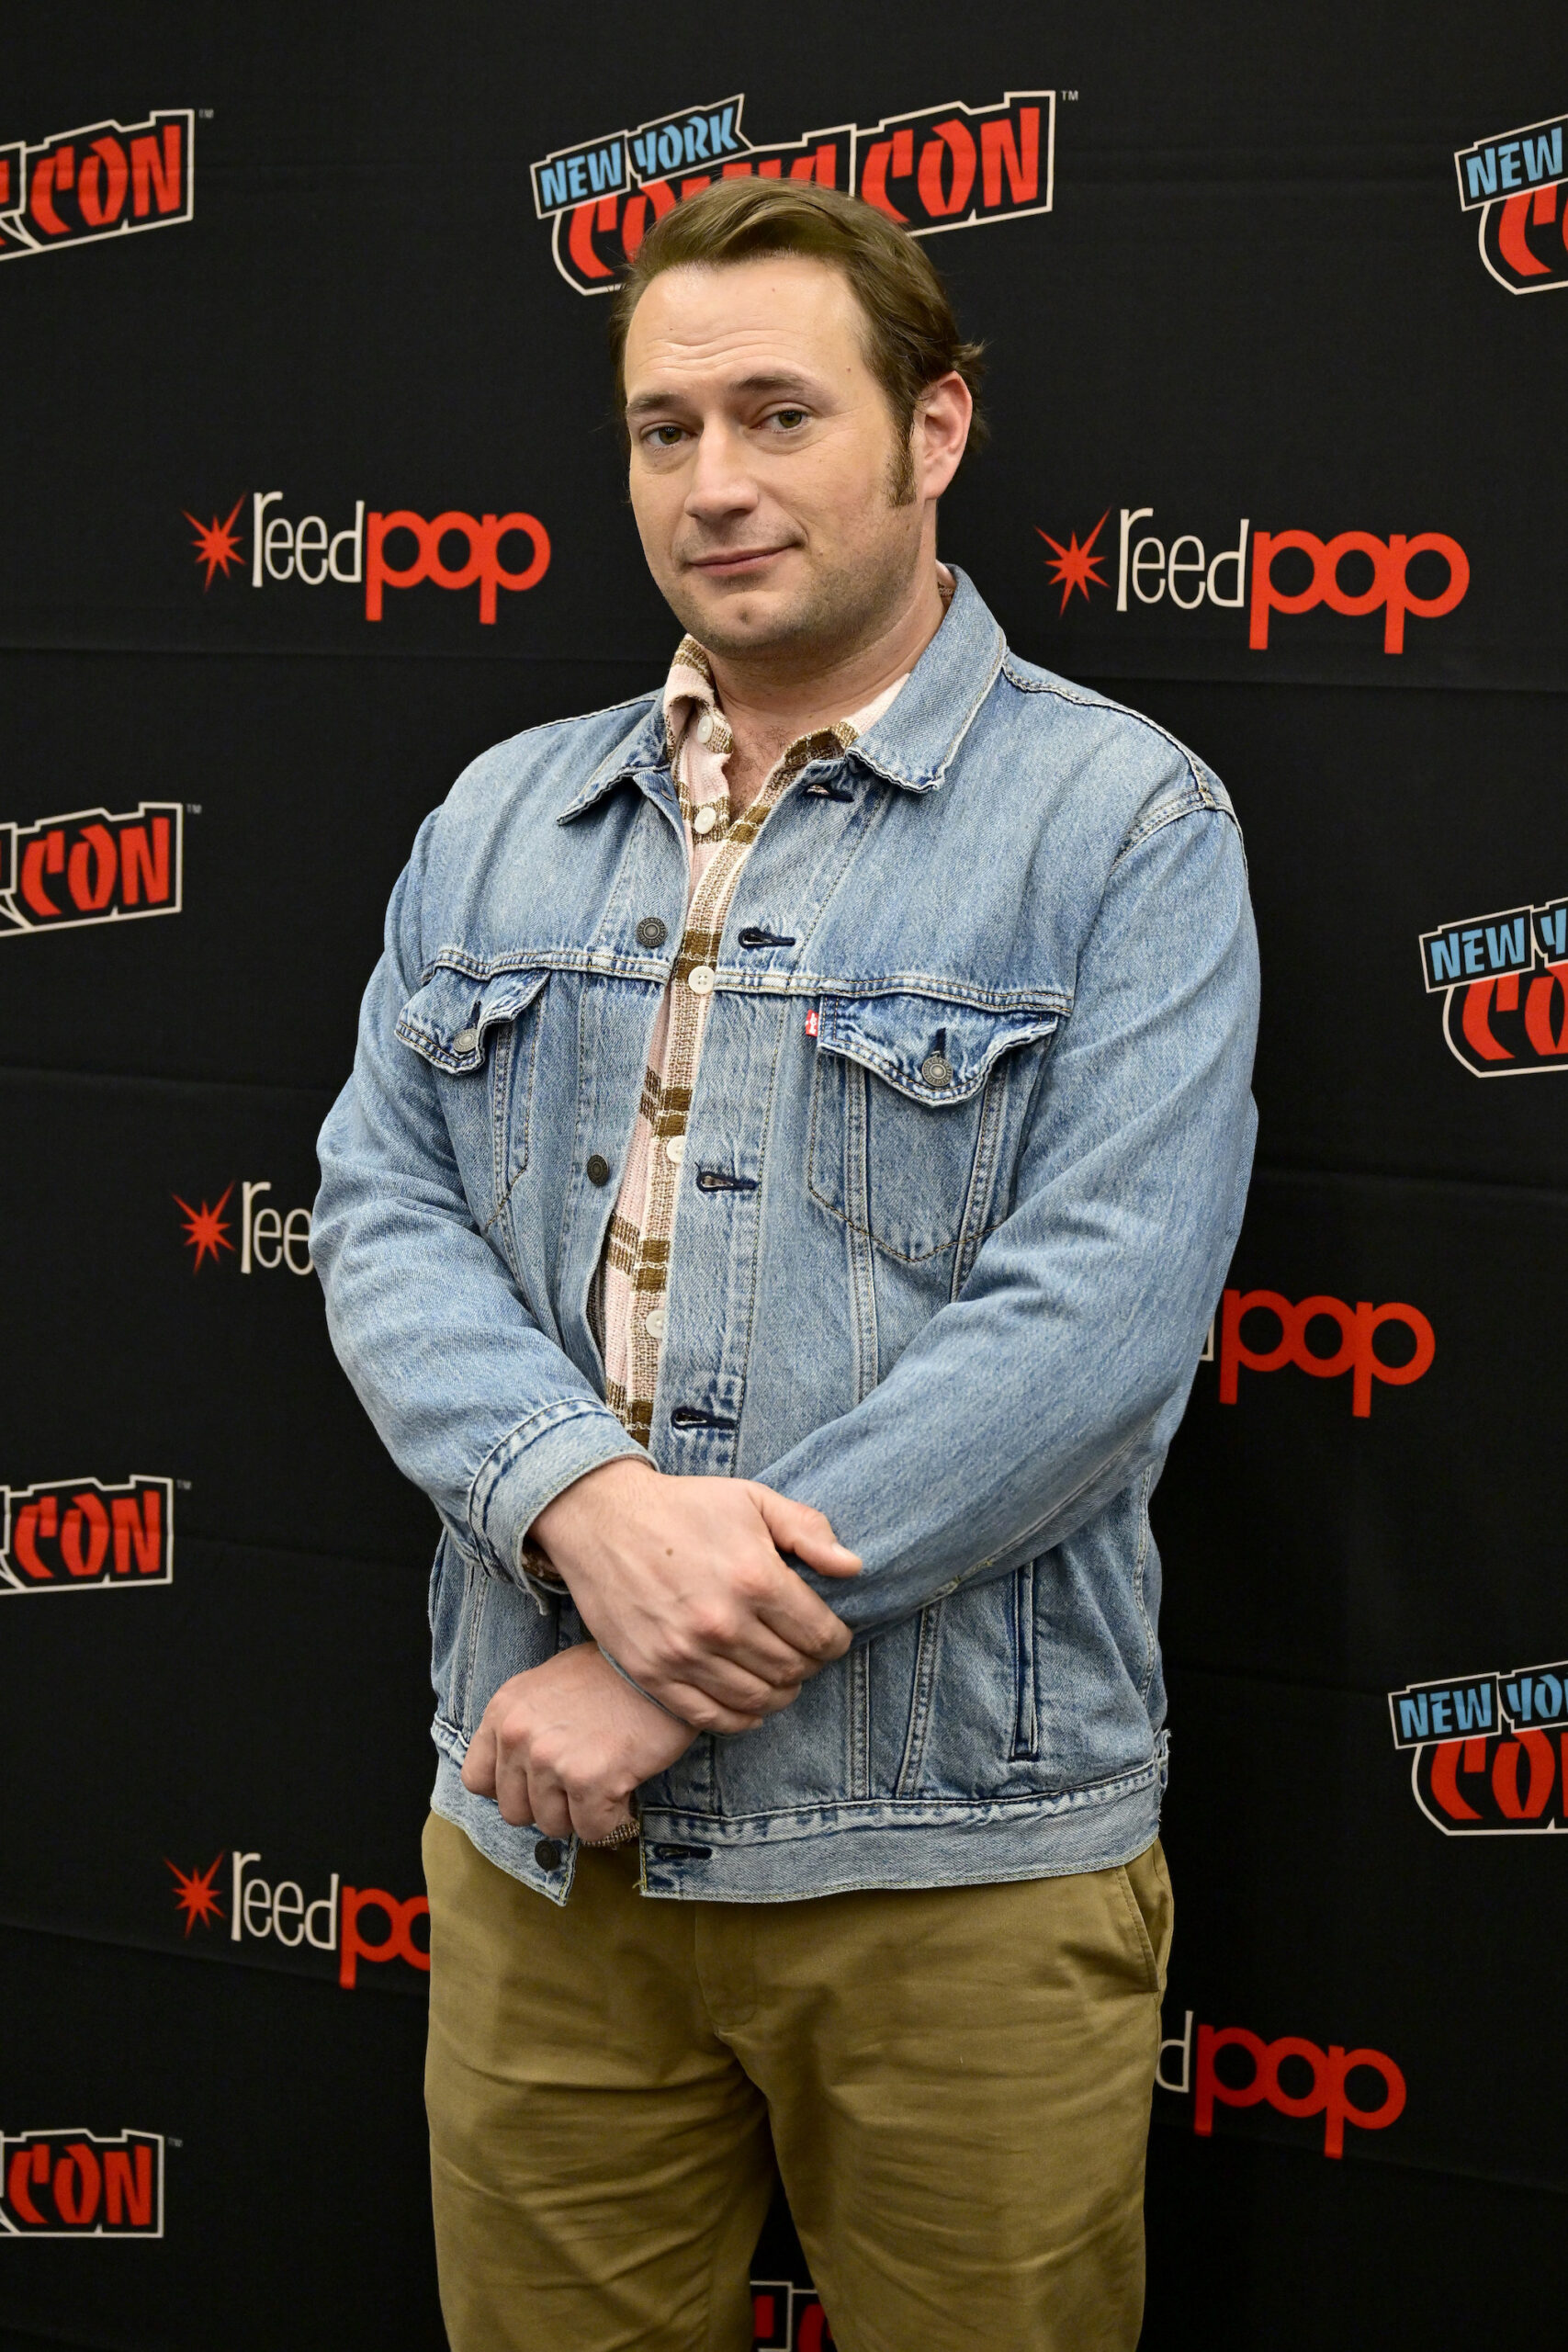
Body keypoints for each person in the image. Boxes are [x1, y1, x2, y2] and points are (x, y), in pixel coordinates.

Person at [312, 176, 1258, 2352]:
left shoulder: (1119, 825)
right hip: (541, 1850)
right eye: (663, 429)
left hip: (954, 1862)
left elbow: (1090, 1324)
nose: (713, 483)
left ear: (932, 429)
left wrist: (653, 1661)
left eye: (774, 412)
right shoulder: (495, 820)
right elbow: (380, 1206)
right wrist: (571, 1492)